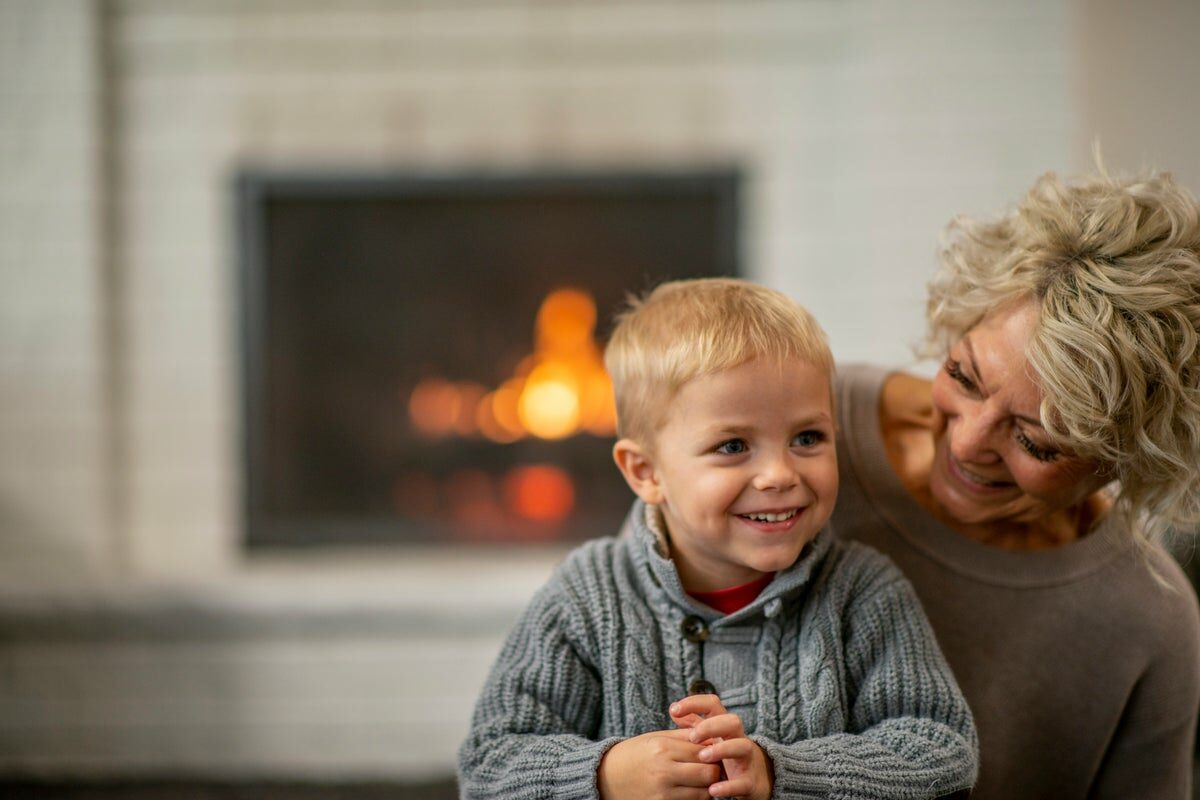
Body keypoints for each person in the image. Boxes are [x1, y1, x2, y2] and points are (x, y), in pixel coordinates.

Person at [458, 278, 977, 800]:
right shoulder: (586, 597)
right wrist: (606, 776)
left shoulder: (862, 592)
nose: (779, 474)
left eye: (807, 438)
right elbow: (489, 766)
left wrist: (784, 774)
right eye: (732, 446)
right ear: (645, 472)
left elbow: (943, 751)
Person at [831, 166, 1200, 798]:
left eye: (1036, 442)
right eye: (964, 376)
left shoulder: (1147, 622)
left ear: (1128, 459)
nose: (966, 443)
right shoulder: (803, 433)